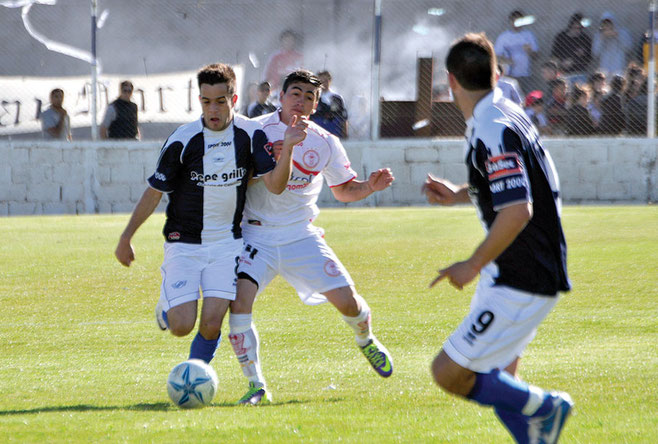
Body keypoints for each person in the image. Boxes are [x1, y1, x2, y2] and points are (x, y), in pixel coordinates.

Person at [422, 33, 573, 444]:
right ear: (498, 73)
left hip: (522, 274)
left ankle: (548, 406)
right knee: (504, 379)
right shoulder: (504, 111)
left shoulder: (493, 127)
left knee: (450, 372)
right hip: (518, 267)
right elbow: (515, 184)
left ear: (450, 81)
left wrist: (470, 265)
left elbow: (518, 209)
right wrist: (459, 193)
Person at [114, 64, 304, 370]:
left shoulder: (251, 134)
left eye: (220, 101)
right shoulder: (183, 139)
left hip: (228, 244)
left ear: (234, 98)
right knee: (181, 325)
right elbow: (154, 192)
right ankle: (167, 309)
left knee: (213, 322)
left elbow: (276, 186)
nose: (212, 109)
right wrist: (126, 237)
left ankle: (193, 376)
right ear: (198, 100)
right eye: (205, 101)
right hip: (184, 243)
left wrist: (289, 150)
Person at [228, 70, 395, 405]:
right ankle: (256, 385)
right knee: (238, 306)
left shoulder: (325, 142)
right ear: (281, 96)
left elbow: (345, 190)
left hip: (300, 235)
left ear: (316, 104)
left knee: (349, 302)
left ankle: (366, 340)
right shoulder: (254, 129)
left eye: (308, 96)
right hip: (255, 236)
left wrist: (369, 187)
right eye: (295, 93)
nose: (300, 101)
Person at [494, 10, 539, 95]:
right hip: (508, 75)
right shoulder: (504, 37)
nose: (516, 24)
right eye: (513, 21)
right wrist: (506, 60)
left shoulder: (528, 35)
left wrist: (529, 51)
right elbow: (496, 56)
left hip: (524, 74)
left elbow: (536, 56)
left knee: (524, 98)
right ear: (510, 22)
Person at [550, 13, 592, 85]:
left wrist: (581, 55)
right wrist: (561, 65)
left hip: (579, 73)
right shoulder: (561, 37)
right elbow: (554, 56)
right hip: (563, 73)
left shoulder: (585, 39)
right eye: (575, 27)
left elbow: (589, 58)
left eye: (580, 28)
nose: (577, 30)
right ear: (571, 25)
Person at [262, 29, 304, 99]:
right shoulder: (275, 57)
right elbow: (267, 75)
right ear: (282, 41)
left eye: (291, 40)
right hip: (276, 90)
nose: (288, 42)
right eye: (286, 40)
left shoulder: (299, 57)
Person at [311, 70, 349, 138]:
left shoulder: (336, 98)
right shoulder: (314, 97)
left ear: (330, 81)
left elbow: (343, 118)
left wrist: (345, 135)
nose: (323, 83)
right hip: (317, 132)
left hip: (333, 131)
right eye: (321, 81)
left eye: (326, 81)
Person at [592, 12, 632, 76]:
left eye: (609, 23)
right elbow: (595, 53)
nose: (607, 26)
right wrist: (601, 39)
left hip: (619, 66)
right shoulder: (598, 35)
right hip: (604, 68)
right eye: (605, 24)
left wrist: (618, 36)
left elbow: (628, 48)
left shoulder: (623, 32)